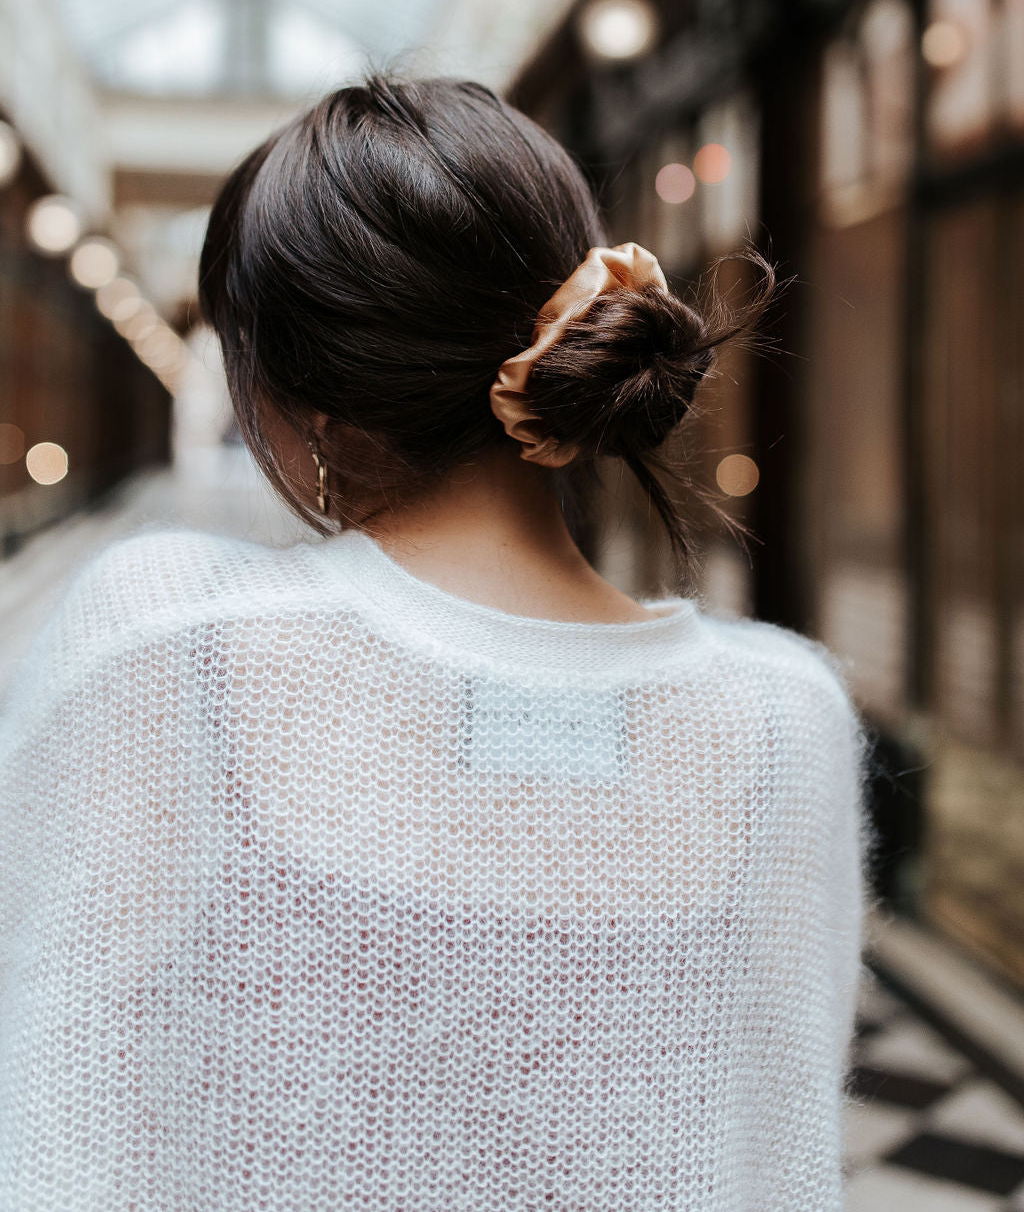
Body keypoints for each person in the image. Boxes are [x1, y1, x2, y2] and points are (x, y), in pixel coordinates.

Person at [0, 75, 872, 1210]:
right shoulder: (784, 718)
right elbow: (780, 1164)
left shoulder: (168, 643)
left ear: (297, 403)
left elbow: (54, 1122)